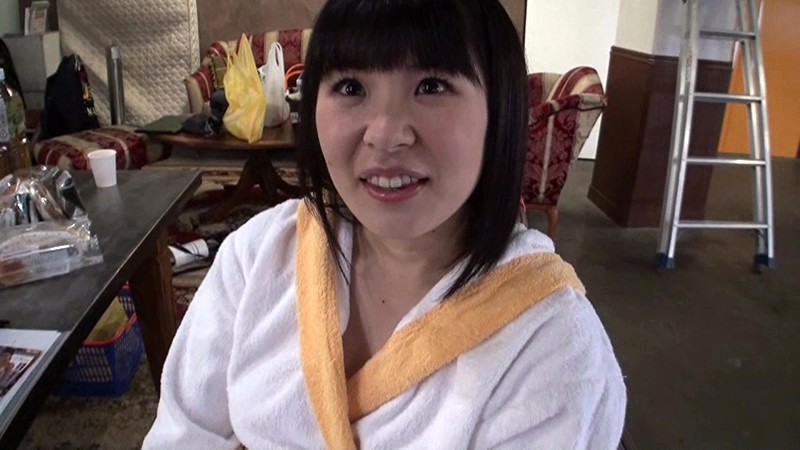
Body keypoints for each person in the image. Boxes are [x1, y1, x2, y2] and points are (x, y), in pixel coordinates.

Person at [144, 0, 626, 448]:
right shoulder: (257, 255)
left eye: (432, 86)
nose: (385, 134)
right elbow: (182, 432)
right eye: (351, 88)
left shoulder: (555, 349)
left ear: (499, 111)